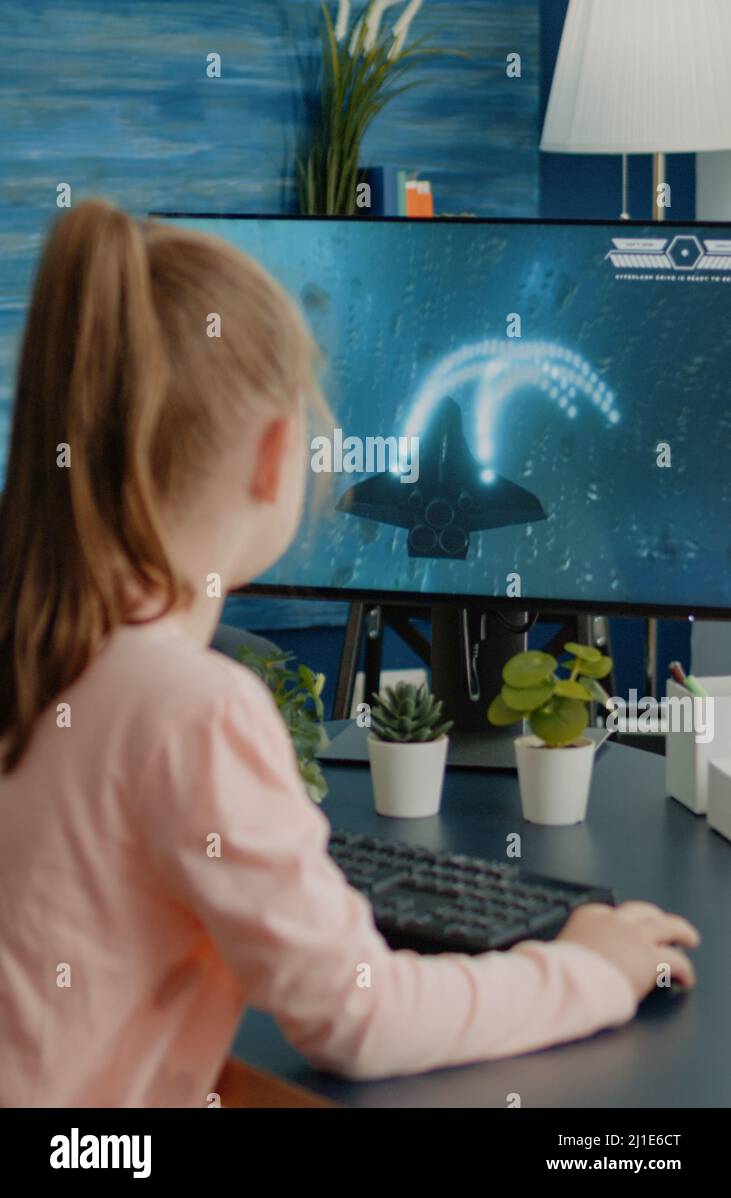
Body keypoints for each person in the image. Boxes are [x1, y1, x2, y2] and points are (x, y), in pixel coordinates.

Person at [0, 201, 699, 1107]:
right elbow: (357, 1020)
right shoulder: (193, 708)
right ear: (274, 457)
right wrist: (590, 970)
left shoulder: (47, 660)